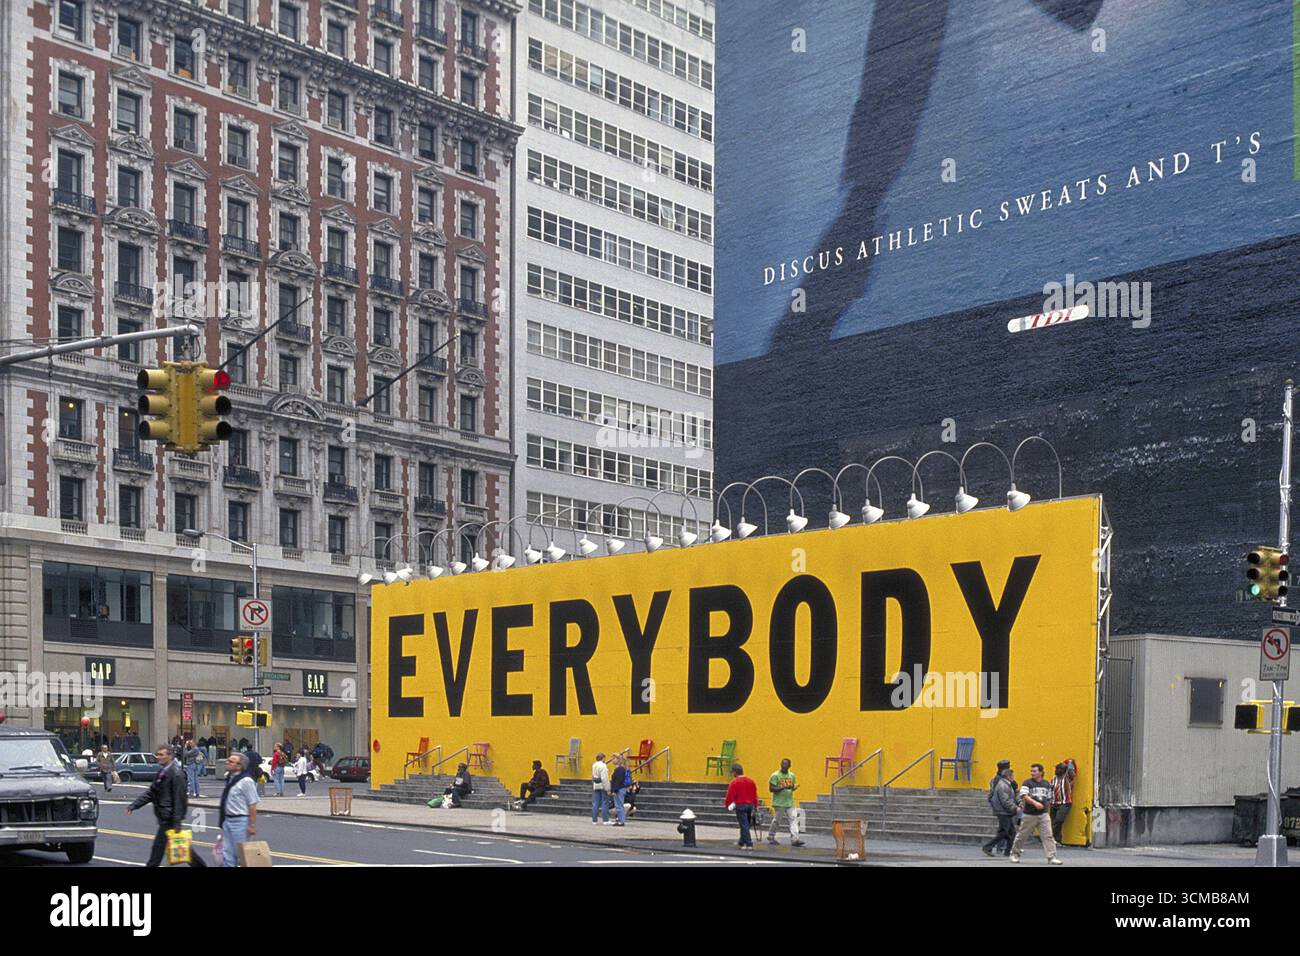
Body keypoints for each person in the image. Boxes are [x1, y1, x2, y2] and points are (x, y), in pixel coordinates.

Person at [126, 744, 206, 867]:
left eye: (161, 755)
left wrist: (177, 822)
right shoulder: (163, 771)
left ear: (170, 756)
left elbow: (179, 800)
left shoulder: (176, 773)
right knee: (184, 851)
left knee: (159, 851)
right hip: (165, 817)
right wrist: (134, 805)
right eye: (157, 754)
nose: (158, 757)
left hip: (169, 818)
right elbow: (152, 792)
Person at [1010, 763, 1063, 864]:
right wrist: (1035, 803)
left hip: (1043, 814)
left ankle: (1051, 857)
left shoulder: (1047, 784)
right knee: (1022, 835)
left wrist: (1046, 811)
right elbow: (1024, 796)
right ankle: (1014, 854)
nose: (1032, 773)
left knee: (1048, 835)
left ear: (1041, 772)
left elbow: (1048, 799)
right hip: (1029, 814)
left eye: (1034, 771)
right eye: (1031, 771)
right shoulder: (1027, 783)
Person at [217, 753, 260, 867]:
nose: (227, 762)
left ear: (239, 766)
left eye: (231, 761)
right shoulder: (230, 778)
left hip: (240, 821)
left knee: (241, 855)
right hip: (227, 820)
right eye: (228, 760)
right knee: (227, 854)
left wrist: (252, 825)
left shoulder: (246, 781)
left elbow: (252, 804)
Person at [982, 759, 1017, 857]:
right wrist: (1014, 807)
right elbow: (1004, 799)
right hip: (1003, 810)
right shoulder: (1002, 783)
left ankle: (1007, 851)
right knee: (1004, 831)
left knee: (1011, 832)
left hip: (1004, 809)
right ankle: (990, 847)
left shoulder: (998, 780)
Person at [766, 757, 805, 846]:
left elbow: (791, 787)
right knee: (777, 820)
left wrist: (793, 787)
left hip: (790, 802)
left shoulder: (792, 776)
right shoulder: (775, 775)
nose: (784, 766)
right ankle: (771, 836)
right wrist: (783, 787)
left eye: (786, 764)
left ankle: (795, 839)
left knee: (794, 819)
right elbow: (771, 789)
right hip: (779, 802)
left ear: (789, 766)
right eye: (782, 764)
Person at [724, 762, 758, 849]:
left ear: (735, 772)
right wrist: (756, 806)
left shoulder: (734, 782)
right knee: (746, 824)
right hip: (750, 805)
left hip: (740, 805)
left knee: (744, 825)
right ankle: (741, 842)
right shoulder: (751, 781)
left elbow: (730, 795)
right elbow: (755, 795)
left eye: (733, 772)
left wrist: (727, 805)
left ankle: (749, 843)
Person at [1051, 759, 1076, 843]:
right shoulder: (1053, 778)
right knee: (1054, 821)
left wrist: (1069, 762)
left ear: (1064, 771)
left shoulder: (1067, 777)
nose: (1057, 771)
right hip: (1054, 803)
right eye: (1057, 769)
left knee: (1059, 820)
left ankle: (1049, 836)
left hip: (1065, 803)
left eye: (1059, 769)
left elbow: (1071, 770)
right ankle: (1057, 840)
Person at [608, 755, 631, 827]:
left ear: (618, 759)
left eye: (613, 758)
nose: (612, 760)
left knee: (619, 805)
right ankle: (620, 820)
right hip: (620, 788)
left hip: (619, 789)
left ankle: (621, 821)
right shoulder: (621, 769)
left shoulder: (620, 769)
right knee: (619, 805)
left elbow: (617, 781)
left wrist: (614, 790)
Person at [590, 752, 611, 824]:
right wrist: (607, 788)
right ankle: (605, 820)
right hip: (602, 785)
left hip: (596, 785)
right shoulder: (603, 766)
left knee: (595, 803)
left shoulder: (594, 765)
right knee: (605, 803)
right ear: (603, 758)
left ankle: (594, 820)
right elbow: (604, 778)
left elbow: (593, 776)